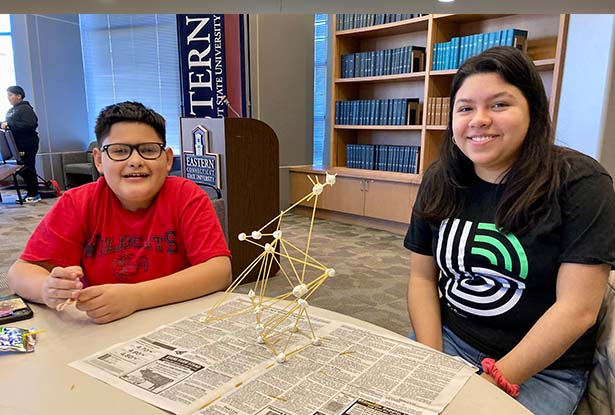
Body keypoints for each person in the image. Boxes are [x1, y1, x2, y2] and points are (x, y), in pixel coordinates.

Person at [404, 46, 615, 415]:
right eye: (465, 108)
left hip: (543, 368)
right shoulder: (441, 178)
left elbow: (578, 309)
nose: (479, 120)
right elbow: (422, 279)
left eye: (499, 105)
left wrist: (488, 384)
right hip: (450, 339)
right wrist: (431, 361)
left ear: (533, 110)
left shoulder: (581, 182)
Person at [7, 101, 232, 324]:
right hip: (103, 325)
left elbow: (219, 271)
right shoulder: (79, 202)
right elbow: (20, 272)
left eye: (148, 150)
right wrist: (47, 289)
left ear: (167, 159)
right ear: (99, 160)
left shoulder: (186, 196)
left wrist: (136, 297)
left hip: (176, 319)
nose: (135, 161)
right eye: (119, 151)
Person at [1, 85, 41, 203]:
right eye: (7, 95)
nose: (8, 98)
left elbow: (30, 125)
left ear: (19, 96)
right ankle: (31, 192)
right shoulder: (12, 110)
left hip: (27, 143)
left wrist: (10, 125)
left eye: (10, 95)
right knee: (21, 168)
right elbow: (8, 124)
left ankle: (34, 194)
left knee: (28, 167)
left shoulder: (25, 109)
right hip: (16, 144)